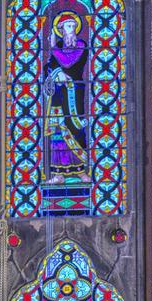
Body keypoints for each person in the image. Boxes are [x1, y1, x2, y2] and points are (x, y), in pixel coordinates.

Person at [44, 12, 89, 184]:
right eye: (68, 26)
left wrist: (53, 48)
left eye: (73, 26)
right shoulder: (58, 46)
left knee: (76, 128)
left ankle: (81, 171)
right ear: (61, 29)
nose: (71, 30)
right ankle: (58, 174)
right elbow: (49, 67)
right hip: (58, 95)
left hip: (74, 94)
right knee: (58, 131)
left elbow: (69, 62)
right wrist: (57, 74)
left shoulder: (81, 45)